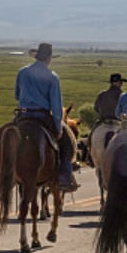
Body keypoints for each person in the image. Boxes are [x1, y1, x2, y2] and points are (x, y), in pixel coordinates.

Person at [15, 42, 79, 192]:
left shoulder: (23, 72)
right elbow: (57, 107)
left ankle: (0, 170)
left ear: (36, 56)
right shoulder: (52, 77)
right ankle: (65, 176)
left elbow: (17, 95)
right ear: (49, 58)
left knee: (6, 133)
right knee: (66, 144)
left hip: (23, 114)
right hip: (42, 115)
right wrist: (58, 128)